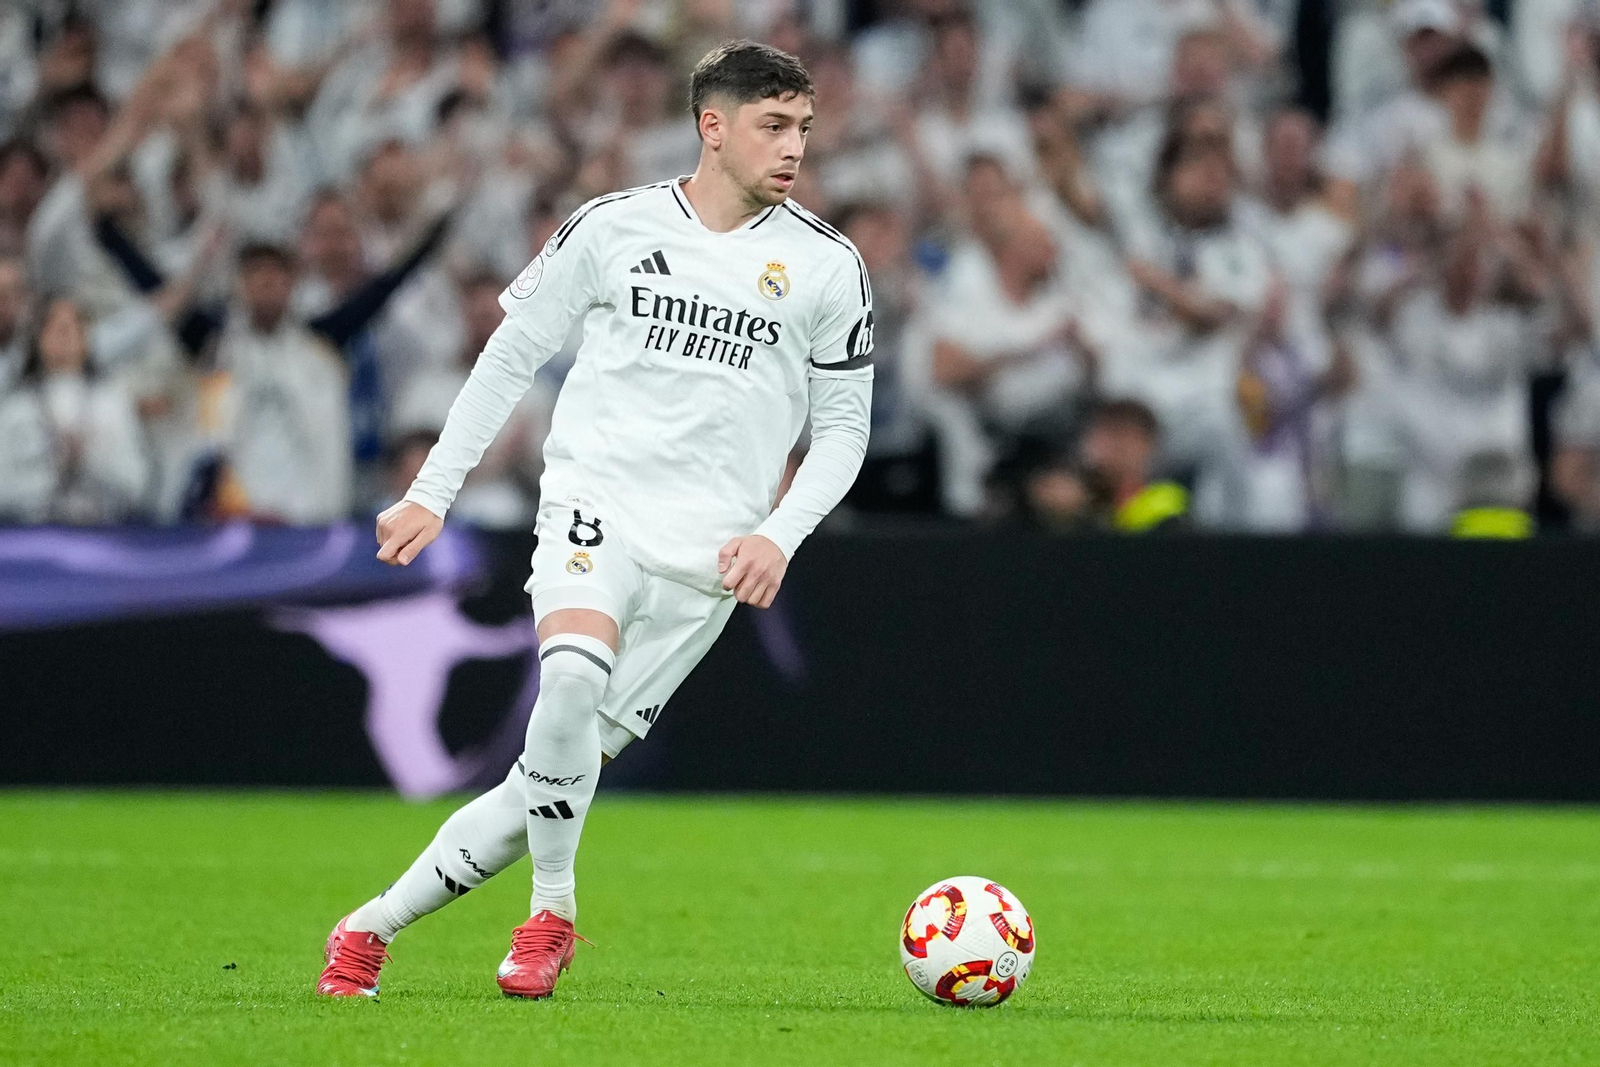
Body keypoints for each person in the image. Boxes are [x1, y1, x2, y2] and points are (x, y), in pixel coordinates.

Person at [317, 41, 874, 1001]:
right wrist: (431, 491)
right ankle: (553, 910)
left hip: (713, 555)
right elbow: (510, 355)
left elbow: (844, 433)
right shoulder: (612, 228)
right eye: (773, 126)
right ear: (714, 125)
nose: (794, 148)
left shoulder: (828, 267)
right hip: (596, 502)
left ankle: (369, 926)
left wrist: (779, 534)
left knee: (549, 772)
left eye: (804, 130)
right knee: (568, 675)